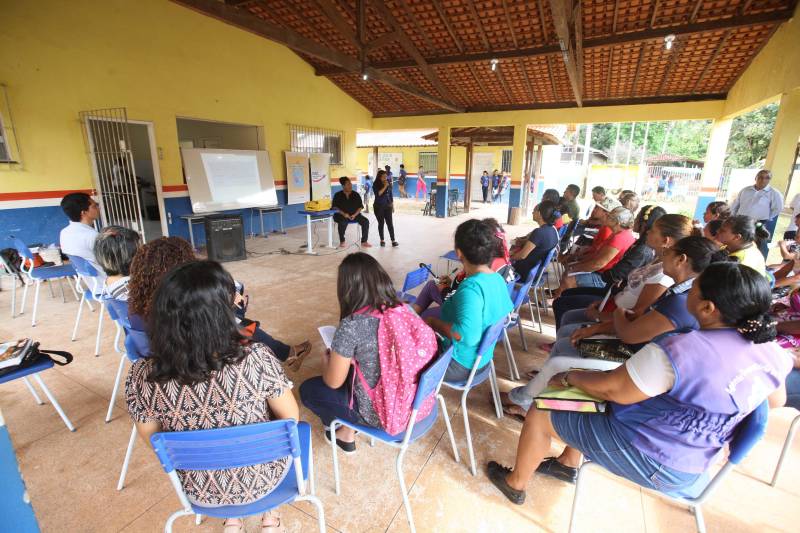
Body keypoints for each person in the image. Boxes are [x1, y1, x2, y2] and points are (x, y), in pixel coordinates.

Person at [488, 262, 791, 504]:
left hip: (655, 457)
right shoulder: (770, 350)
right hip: (698, 460)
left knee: (543, 410)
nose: (686, 294)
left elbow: (614, 390)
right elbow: (773, 401)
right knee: (581, 398)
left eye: (693, 291)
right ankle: (567, 463)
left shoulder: (683, 350)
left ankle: (516, 483)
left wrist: (570, 376)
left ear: (708, 308)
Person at [125, 261, 298, 530]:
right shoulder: (257, 360)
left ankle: (231, 518)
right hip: (263, 481)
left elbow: (155, 442)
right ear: (222, 313)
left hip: (199, 490)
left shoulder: (142, 375)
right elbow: (290, 419)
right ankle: (270, 516)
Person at [300, 253, 437, 453]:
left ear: (347, 290)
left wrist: (326, 361)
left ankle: (345, 428)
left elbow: (333, 382)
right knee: (360, 371)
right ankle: (347, 431)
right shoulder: (406, 309)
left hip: (384, 415)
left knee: (309, 390)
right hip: (418, 404)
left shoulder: (352, 325)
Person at [127, 237, 312, 371]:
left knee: (243, 323)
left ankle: (286, 352)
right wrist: (234, 306)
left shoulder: (135, 308)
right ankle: (287, 354)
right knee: (242, 324)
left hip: (165, 358)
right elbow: (214, 327)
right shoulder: (180, 308)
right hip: (202, 357)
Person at [424, 219, 513, 381]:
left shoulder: (471, 288)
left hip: (460, 366)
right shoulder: (497, 279)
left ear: (459, 253)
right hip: (482, 361)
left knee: (405, 356)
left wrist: (433, 323)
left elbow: (466, 335)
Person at [413, 218, 512, 319]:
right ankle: (410, 317)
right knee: (432, 285)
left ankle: (411, 322)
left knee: (426, 316)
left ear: (459, 253)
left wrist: (444, 290)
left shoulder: (474, 282)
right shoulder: (496, 271)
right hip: (477, 313)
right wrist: (450, 285)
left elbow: (465, 329)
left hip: (463, 313)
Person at [557, 206, 636, 291]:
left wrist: (574, 268)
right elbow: (597, 256)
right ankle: (559, 294)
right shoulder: (619, 234)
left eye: (610, 216)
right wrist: (577, 264)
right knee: (569, 269)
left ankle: (558, 299)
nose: (606, 216)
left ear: (617, 222)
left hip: (604, 278)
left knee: (568, 278)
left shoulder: (619, 238)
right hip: (602, 273)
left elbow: (598, 264)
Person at [731, 169, 783, 258]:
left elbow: (778, 208)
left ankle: (751, 262)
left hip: (759, 222)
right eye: (761, 177)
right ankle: (736, 257)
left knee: (755, 244)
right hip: (741, 220)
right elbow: (736, 204)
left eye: (767, 178)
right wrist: (734, 216)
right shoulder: (745, 190)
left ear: (770, 180)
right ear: (756, 178)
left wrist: (766, 217)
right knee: (738, 240)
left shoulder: (774, 193)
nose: (763, 180)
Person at [510, 201, 561, 282]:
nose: (532, 212)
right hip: (536, 271)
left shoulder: (539, 232)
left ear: (539, 214)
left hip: (524, 272)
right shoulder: (553, 230)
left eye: (534, 211)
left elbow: (522, 256)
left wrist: (508, 258)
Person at [59, 192, 103, 275]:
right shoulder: (92, 236)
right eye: (94, 206)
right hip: (106, 281)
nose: (98, 208)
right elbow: (112, 264)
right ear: (83, 213)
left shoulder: (64, 233)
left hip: (92, 282)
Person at [93, 225, 141, 301]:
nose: (141, 254)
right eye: (138, 250)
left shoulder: (109, 282)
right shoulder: (130, 290)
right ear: (128, 258)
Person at [332, 176, 371, 248]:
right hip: (341, 215)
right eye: (348, 184)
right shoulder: (338, 195)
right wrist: (344, 214)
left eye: (350, 184)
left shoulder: (356, 194)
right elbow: (334, 207)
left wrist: (355, 215)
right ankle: (342, 241)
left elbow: (360, 207)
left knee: (365, 221)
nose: (350, 185)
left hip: (355, 215)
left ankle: (364, 241)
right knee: (343, 222)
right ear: (343, 186)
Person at [373, 170, 398, 247]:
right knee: (381, 223)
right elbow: (378, 194)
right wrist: (385, 186)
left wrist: (392, 206)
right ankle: (382, 240)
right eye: (383, 177)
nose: (385, 178)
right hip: (379, 207)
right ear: (379, 177)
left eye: (386, 177)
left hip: (388, 206)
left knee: (390, 223)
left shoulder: (388, 183)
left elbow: (390, 195)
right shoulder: (375, 184)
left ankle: (393, 240)